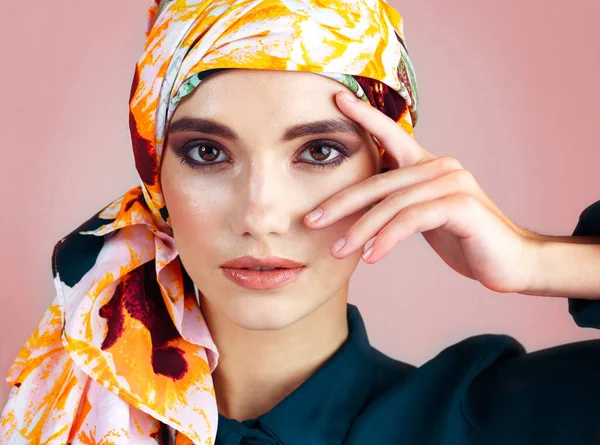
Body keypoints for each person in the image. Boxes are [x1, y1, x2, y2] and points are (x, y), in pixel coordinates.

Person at [1, 0, 600, 444]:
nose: (261, 215)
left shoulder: (501, 422)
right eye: (208, 153)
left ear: (386, 171)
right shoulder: (68, 411)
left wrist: (536, 260)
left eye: (319, 152)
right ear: (157, 178)